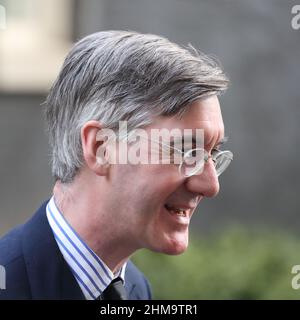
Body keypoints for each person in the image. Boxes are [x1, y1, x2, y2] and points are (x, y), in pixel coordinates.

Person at [0, 30, 231, 300]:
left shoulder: (134, 288)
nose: (210, 185)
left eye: (212, 153)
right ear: (101, 148)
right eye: (185, 151)